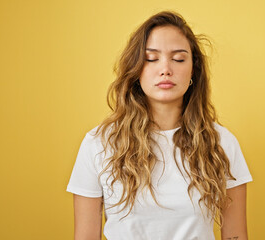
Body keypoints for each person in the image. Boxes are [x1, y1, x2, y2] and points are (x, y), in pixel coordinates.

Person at [66, 10, 253, 240]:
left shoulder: (222, 143)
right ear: (136, 70)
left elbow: (235, 235)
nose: (165, 69)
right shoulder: (98, 144)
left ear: (193, 69)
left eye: (178, 58)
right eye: (151, 58)